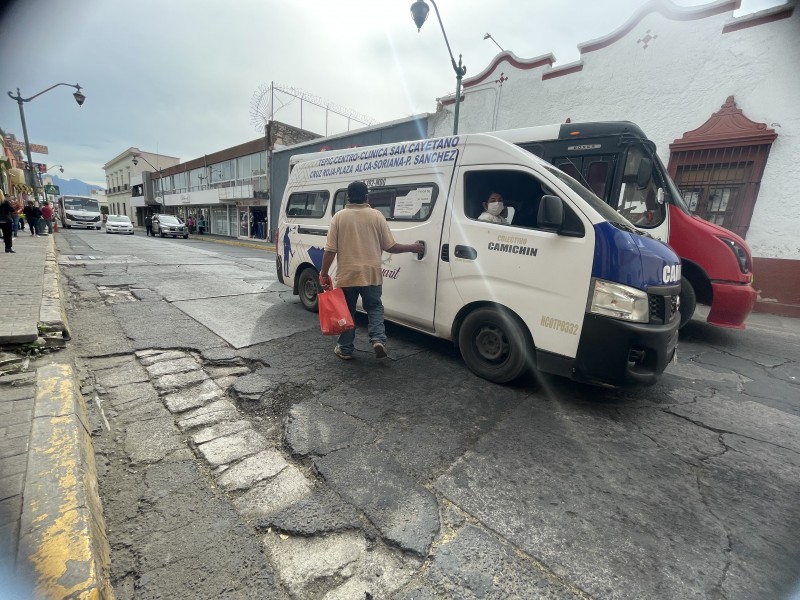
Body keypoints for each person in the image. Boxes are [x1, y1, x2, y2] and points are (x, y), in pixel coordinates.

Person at [319, 181, 424, 360]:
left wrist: (323, 273)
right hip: (372, 274)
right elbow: (391, 246)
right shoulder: (376, 216)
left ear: (348, 197)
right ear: (367, 196)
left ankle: (345, 349)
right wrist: (413, 247)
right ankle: (378, 339)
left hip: (347, 275)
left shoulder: (339, 217)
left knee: (348, 312)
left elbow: (330, 250)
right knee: (375, 307)